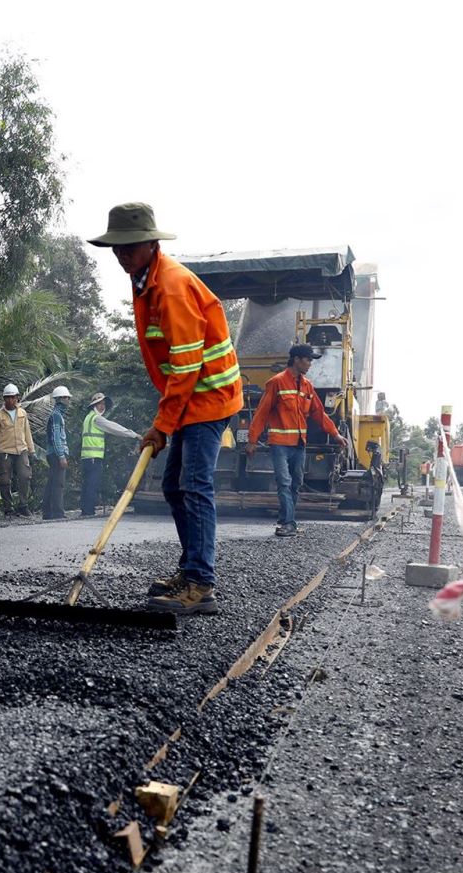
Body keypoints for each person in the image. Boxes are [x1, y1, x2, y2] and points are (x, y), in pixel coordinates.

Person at [88, 202, 243, 616]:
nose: (121, 255)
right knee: (175, 486)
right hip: (192, 397)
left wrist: (162, 426)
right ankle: (190, 569)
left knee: (194, 486)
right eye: (116, 249)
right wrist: (167, 421)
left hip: (209, 398)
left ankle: (200, 584)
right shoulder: (145, 278)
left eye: (129, 247)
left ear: (151, 243)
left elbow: (189, 365)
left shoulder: (170, 286)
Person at [244, 344, 347, 537]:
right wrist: (252, 440)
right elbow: (262, 413)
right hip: (280, 444)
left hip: (299, 444)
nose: (310, 364)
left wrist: (335, 434)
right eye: (308, 360)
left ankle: (285, 521)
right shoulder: (277, 382)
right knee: (284, 482)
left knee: (295, 483)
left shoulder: (307, 385)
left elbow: (319, 413)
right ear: (297, 359)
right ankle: (289, 523)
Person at [77, 393, 137, 515]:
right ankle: (88, 511)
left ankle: (85, 510)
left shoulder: (88, 418)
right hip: (94, 457)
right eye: (99, 403)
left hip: (86, 457)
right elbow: (114, 428)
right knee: (92, 485)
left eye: (103, 404)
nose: (102, 406)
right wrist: (133, 434)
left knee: (87, 484)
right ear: (94, 405)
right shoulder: (96, 419)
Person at [0, 383, 36, 516]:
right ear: (4, 399)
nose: (10, 400)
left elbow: (27, 432)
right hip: (4, 451)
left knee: (25, 476)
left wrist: (31, 450)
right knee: (4, 480)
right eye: (7, 397)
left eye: (13, 397)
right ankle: (8, 507)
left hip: (21, 450)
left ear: (17, 398)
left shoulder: (22, 413)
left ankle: (23, 504)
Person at [42, 385, 72, 519]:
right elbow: (56, 438)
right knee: (58, 483)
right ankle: (57, 513)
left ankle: (47, 513)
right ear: (60, 399)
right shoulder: (56, 416)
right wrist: (61, 456)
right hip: (56, 454)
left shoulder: (56, 415)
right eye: (66, 397)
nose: (68, 400)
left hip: (52, 453)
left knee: (52, 482)